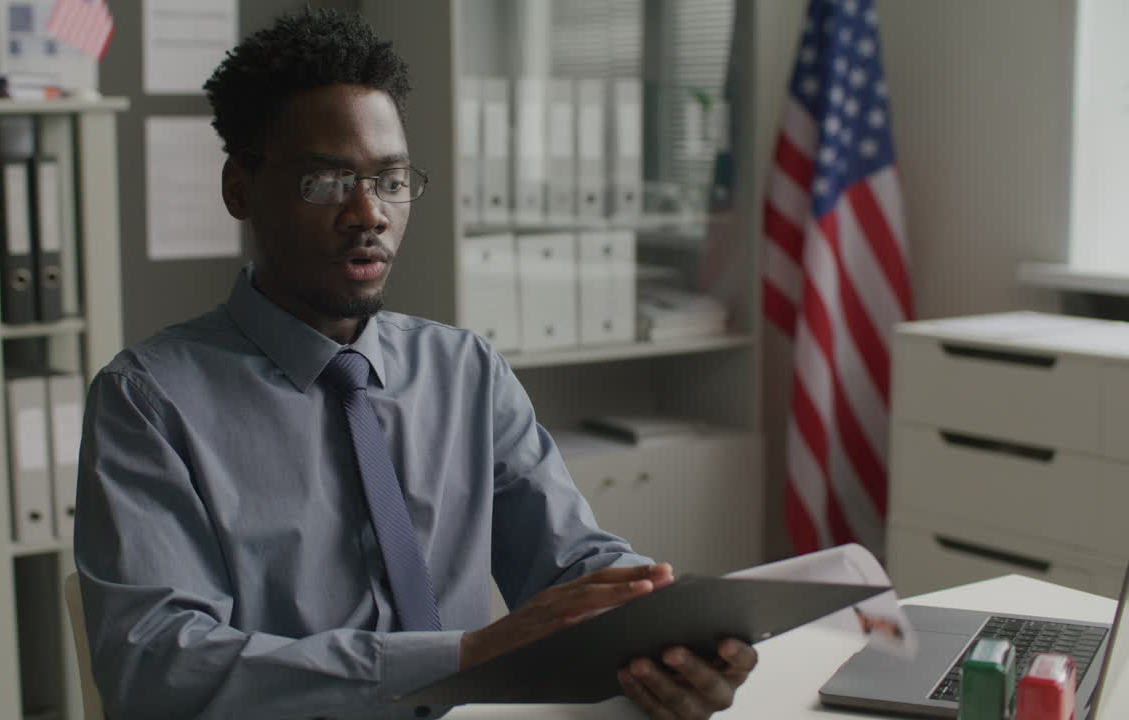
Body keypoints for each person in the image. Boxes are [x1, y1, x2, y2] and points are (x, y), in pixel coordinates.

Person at [74, 8, 756, 719]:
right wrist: (457, 660)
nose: (369, 213)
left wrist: (661, 636)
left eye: (391, 181)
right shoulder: (150, 400)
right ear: (240, 188)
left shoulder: (464, 369)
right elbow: (159, 666)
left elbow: (572, 562)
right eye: (328, 182)